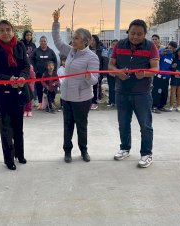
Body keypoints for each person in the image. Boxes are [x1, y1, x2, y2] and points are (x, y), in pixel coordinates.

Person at [108, 19, 159, 168]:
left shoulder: (150, 47)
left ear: (145, 34)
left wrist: (145, 74)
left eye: (139, 34)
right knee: (123, 123)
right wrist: (117, 72)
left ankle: (146, 154)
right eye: (132, 33)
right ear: (128, 32)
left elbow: (155, 68)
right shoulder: (119, 45)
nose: (135, 37)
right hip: (122, 91)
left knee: (145, 125)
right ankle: (125, 148)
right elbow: (111, 64)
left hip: (142, 93)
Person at [52, 9, 99, 163]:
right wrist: (56, 22)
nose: (73, 41)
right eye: (73, 38)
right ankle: (67, 151)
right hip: (66, 96)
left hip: (82, 98)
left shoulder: (92, 57)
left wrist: (88, 76)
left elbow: (94, 80)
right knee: (67, 125)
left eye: (77, 38)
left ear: (85, 41)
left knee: (81, 126)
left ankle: (84, 150)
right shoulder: (71, 51)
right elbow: (58, 41)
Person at [0, 20, 32, 170]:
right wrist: (8, 79)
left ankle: (20, 154)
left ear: (13, 31)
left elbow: (26, 66)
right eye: (2, 30)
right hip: (2, 94)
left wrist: (22, 77)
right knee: (6, 128)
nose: (5, 33)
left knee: (18, 126)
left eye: (8, 29)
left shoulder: (20, 46)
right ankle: (9, 159)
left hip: (19, 91)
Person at [31, 36, 57, 110]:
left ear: (46, 42)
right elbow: (31, 59)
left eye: (44, 41)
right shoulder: (36, 51)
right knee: (39, 88)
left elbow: (55, 61)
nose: (43, 42)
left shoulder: (51, 51)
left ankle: (51, 102)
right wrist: (35, 70)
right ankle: (40, 103)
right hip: (39, 73)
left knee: (51, 88)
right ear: (39, 42)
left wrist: (53, 71)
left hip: (49, 74)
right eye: (41, 41)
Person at [152, 41, 176, 113]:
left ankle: (161, 106)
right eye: (170, 47)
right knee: (157, 92)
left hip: (166, 77)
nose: (171, 49)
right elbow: (155, 58)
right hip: (159, 76)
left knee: (164, 92)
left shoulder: (172, 56)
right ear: (168, 45)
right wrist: (161, 54)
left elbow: (171, 66)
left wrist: (173, 66)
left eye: (173, 48)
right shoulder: (162, 51)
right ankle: (154, 106)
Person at [89, 35, 104, 110]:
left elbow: (103, 61)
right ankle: (88, 101)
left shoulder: (101, 50)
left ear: (97, 41)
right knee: (88, 87)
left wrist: (102, 72)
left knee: (96, 86)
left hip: (97, 71)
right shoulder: (87, 50)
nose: (92, 42)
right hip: (88, 71)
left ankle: (94, 102)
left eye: (94, 40)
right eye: (91, 40)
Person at [106, 39, 118, 107]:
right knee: (111, 87)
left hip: (118, 73)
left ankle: (117, 102)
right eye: (113, 44)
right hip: (110, 73)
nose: (115, 46)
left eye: (116, 44)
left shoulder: (121, 52)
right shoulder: (108, 52)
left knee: (118, 88)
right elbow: (106, 62)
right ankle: (111, 102)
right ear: (111, 45)